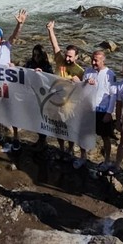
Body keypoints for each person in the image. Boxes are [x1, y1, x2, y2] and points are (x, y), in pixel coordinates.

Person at [0, 9, 27, 146]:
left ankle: (16, 137)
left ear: (1, 39)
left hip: (7, 84)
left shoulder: (5, 46)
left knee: (11, 110)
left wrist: (19, 24)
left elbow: (14, 36)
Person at [44, 20, 84, 156]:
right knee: (57, 127)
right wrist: (50, 30)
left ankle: (70, 148)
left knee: (69, 128)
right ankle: (61, 148)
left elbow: (85, 90)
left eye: (70, 56)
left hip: (69, 104)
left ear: (76, 57)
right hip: (55, 100)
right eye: (67, 55)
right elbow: (54, 45)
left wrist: (79, 82)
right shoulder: (60, 60)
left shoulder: (80, 71)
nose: (67, 58)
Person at [80, 50, 118, 170]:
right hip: (88, 109)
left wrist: (109, 112)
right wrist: (85, 83)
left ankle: (106, 160)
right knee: (83, 134)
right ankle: (83, 156)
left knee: (105, 137)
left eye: (96, 60)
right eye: (92, 59)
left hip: (102, 111)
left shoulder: (110, 74)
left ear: (103, 60)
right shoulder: (87, 71)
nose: (93, 62)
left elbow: (113, 96)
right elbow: (81, 89)